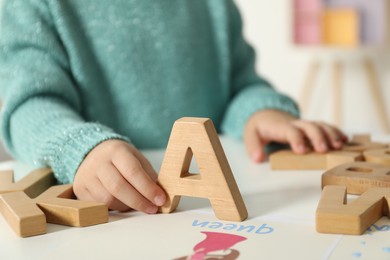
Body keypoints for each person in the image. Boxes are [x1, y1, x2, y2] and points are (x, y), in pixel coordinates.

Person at [0, 0, 346, 214]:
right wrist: (81, 148)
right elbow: (30, 106)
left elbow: (240, 86)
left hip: (206, 206)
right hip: (111, 215)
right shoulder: (34, 5)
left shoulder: (214, 6)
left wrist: (261, 111)